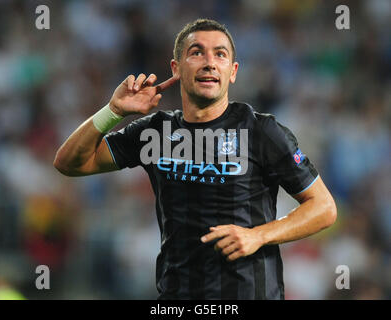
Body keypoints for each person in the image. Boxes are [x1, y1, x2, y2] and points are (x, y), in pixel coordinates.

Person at [54, 18, 337, 300]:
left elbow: (323, 208)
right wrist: (113, 111)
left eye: (220, 54)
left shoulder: (261, 132)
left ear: (233, 71)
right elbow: (69, 163)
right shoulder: (156, 132)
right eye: (197, 52)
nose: (210, 62)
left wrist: (259, 235)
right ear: (176, 68)